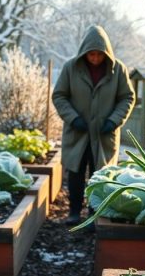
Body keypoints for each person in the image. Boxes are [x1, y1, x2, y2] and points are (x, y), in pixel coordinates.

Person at [52, 25, 136, 226]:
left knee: (100, 174)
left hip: (104, 133)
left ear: (106, 53)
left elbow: (127, 97)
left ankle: (94, 212)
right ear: (84, 53)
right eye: (92, 54)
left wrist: (113, 121)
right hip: (77, 132)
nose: (96, 58)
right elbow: (59, 95)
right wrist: (73, 118)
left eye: (99, 54)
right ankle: (74, 211)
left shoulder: (118, 70)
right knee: (76, 172)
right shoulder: (71, 68)